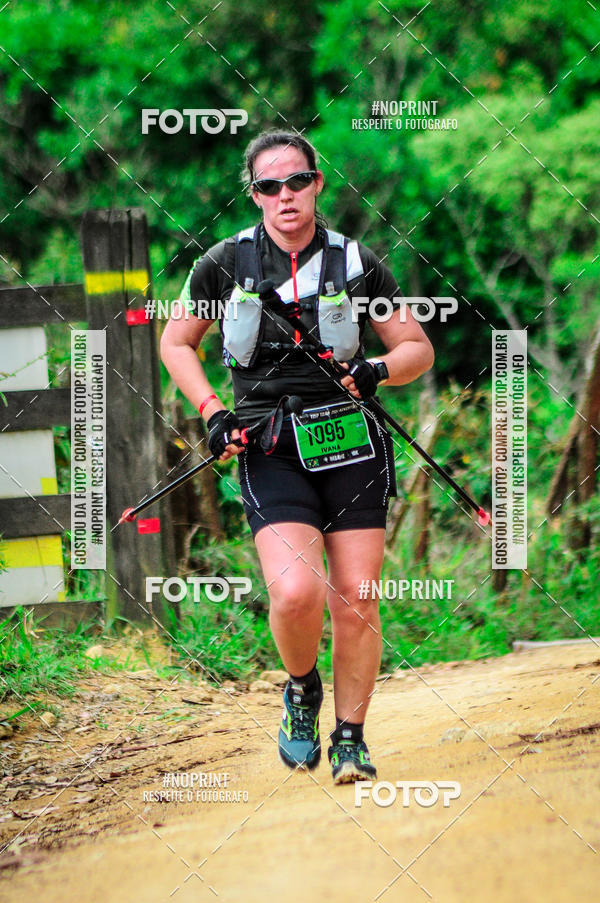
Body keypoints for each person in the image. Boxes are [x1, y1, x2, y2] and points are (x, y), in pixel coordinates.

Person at [160, 129, 434, 784]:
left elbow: (415, 349)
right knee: (294, 592)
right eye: (269, 185)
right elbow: (177, 343)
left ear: (317, 183)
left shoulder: (356, 261)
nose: (285, 195)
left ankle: (350, 737)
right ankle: (302, 686)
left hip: (351, 443)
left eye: (297, 181)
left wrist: (376, 369)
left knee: (357, 598)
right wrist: (212, 412)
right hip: (268, 445)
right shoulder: (223, 263)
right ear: (254, 194)